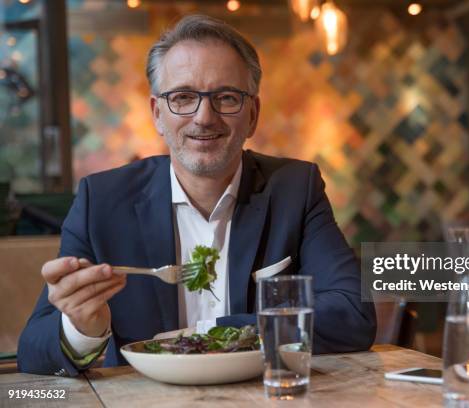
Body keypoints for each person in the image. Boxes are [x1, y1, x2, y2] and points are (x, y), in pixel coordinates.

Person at [18, 15, 376, 376]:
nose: (204, 117)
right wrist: (81, 328)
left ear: (253, 114)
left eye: (226, 97)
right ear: (157, 114)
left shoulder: (296, 188)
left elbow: (352, 315)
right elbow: (33, 352)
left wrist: (214, 333)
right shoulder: (102, 200)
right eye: (184, 97)